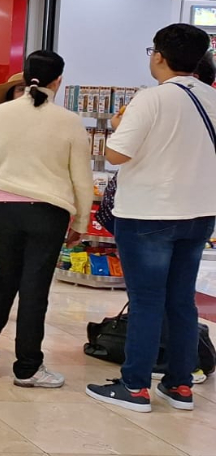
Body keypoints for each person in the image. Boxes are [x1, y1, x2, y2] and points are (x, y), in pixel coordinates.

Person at [88, 24, 216, 412]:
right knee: (181, 301)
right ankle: (180, 385)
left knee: (145, 300)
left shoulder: (151, 99)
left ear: (158, 55)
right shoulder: (211, 97)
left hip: (148, 215)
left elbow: (115, 155)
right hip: (200, 213)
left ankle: (135, 386)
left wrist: (117, 126)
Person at [0, 50, 93, 387]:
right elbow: (81, 178)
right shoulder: (69, 121)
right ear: (58, 80)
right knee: (35, 289)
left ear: (23, 75)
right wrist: (79, 224)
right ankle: (28, 367)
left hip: (5, 206)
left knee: (3, 281)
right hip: (50, 212)